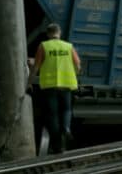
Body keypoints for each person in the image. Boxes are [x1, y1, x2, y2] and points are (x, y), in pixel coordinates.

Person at [29, 23, 81, 154]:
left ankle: (58, 145)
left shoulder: (44, 46)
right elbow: (78, 64)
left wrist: (29, 82)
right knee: (67, 109)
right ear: (59, 33)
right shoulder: (68, 46)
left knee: (52, 115)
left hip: (50, 86)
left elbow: (36, 67)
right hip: (66, 84)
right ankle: (67, 128)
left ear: (48, 34)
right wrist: (74, 73)